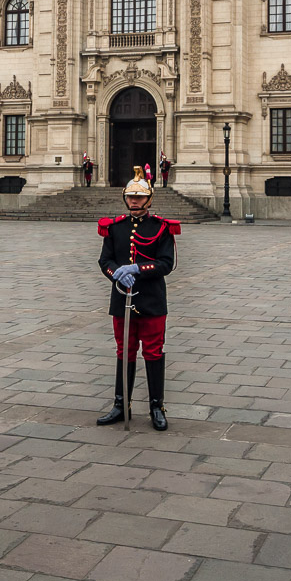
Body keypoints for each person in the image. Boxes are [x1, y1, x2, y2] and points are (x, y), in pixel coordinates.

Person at [97, 166, 180, 431]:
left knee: (153, 352)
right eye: (131, 197)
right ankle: (121, 404)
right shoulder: (114, 227)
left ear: (149, 199)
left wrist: (137, 269)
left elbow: (166, 263)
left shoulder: (162, 228)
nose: (134, 201)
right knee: (125, 351)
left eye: (139, 197)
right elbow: (105, 260)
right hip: (122, 299)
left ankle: (157, 406)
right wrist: (117, 274)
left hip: (151, 300)